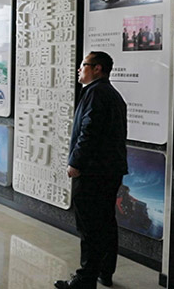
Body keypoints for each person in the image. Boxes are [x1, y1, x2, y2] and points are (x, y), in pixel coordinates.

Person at [55, 51, 128, 289]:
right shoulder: (111, 94)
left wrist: (76, 162)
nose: (79, 69)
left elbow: (89, 132)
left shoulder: (95, 93)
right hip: (109, 170)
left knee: (89, 226)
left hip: (93, 172)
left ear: (97, 68)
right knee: (106, 222)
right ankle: (104, 272)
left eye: (83, 65)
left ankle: (85, 279)